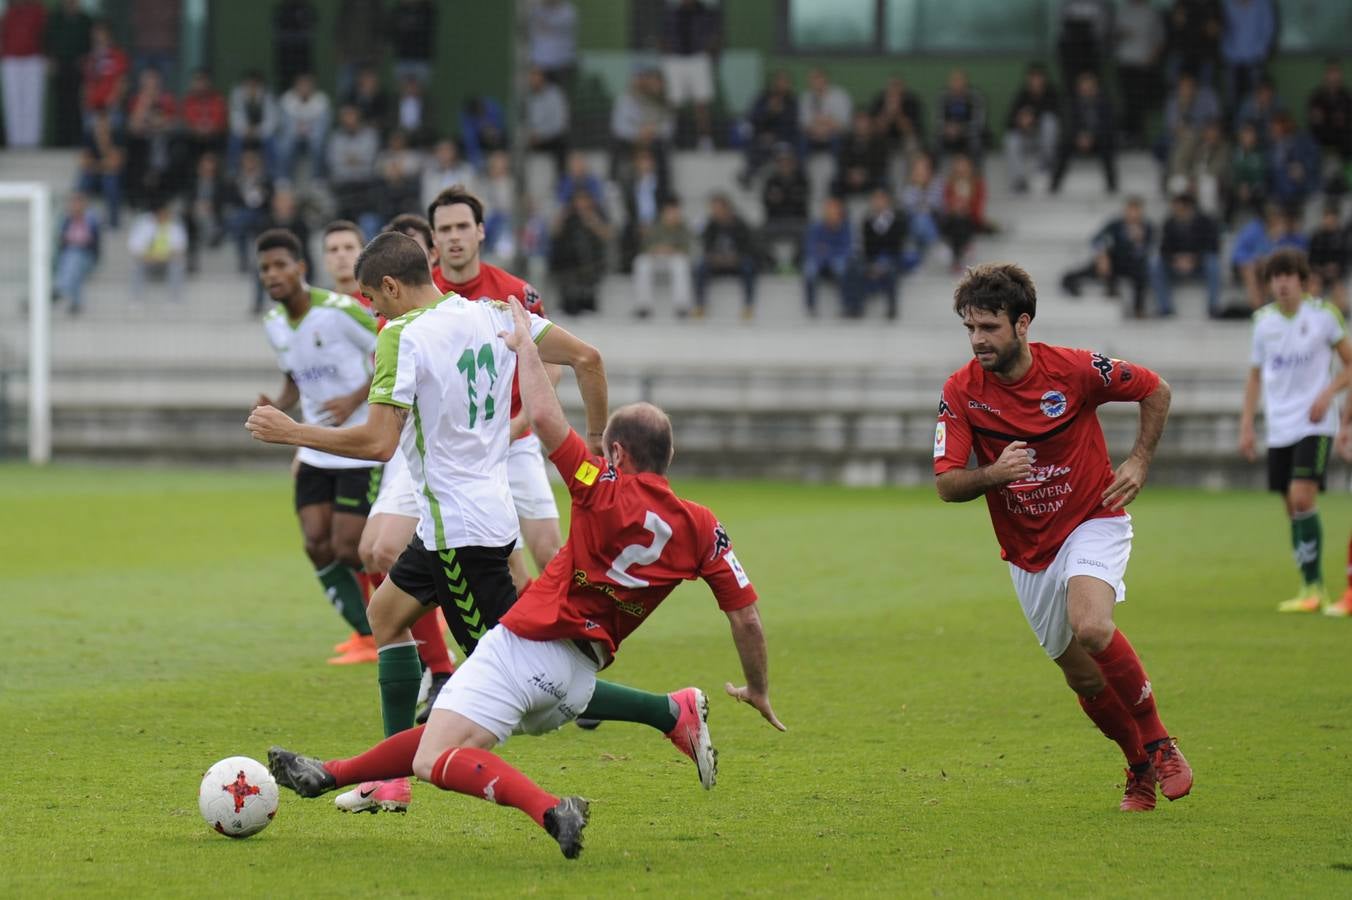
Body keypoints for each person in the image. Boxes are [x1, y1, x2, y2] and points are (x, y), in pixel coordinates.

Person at [266, 292, 782, 859]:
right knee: (448, 722)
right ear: (670, 454)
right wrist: (756, 687)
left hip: (528, 643)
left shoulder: (598, 485)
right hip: (578, 673)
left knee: (435, 755)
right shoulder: (703, 528)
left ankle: (549, 807)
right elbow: (747, 616)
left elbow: (541, 416)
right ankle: (330, 774)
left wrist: (523, 349)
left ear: (616, 452)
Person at [247, 231, 609, 817]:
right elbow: (589, 359)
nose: (370, 309)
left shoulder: (401, 335)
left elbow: (379, 441)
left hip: (460, 533)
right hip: (469, 516)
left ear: (390, 286)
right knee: (385, 616)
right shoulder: (492, 313)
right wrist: (595, 443)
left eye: (371, 297)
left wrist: (292, 432)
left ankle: (666, 711)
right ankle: (387, 783)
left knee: (519, 679)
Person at [934, 262, 1191, 812]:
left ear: (1022, 324)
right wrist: (992, 474)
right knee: (1085, 680)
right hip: (1027, 553)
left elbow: (1156, 389)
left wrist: (1140, 461)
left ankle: (1162, 742)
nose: (977, 340)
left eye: (989, 328)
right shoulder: (960, 392)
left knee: (1093, 626)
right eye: (970, 329)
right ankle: (1139, 766)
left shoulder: (1073, 370)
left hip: (1092, 519)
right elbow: (947, 484)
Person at [428, 185, 568, 591]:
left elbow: (551, 367)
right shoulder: (423, 299)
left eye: (462, 226)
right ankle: (516, 642)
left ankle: (578, 636)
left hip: (516, 438)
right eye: (445, 229)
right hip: (460, 450)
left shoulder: (515, 294)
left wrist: (520, 421)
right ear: (433, 239)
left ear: (481, 232)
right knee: (502, 565)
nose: (454, 236)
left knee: (549, 550)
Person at [252, 228, 383, 665]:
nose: (272, 275)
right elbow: (294, 377)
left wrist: (354, 398)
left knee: (350, 546)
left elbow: (391, 349)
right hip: (311, 446)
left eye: (280, 265)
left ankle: (402, 620)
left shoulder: (340, 310)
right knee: (315, 542)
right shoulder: (273, 324)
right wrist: (278, 404)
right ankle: (369, 633)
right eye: (265, 268)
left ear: (300, 269)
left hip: (356, 444)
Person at [1239, 249, 1352, 614]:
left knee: (1302, 497)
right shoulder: (1263, 322)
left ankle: (1315, 589)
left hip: (1315, 423)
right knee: (1292, 506)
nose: (1282, 283)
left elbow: (1350, 365)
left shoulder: (1323, 316)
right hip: (1280, 425)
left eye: (1289, 276)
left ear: (1303, 281)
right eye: (1276, 276)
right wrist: (1247, 425)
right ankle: (1309, 584)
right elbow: (1256, 375)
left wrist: (1328, 394)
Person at [1061, 195, 1154, 317]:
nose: (1133, 215)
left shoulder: (1147, 228)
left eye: (1136, 211)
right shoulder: (1116, 225)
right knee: (1077, 274)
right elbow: (1096, 239)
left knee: (1141, 274)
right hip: (1112, 263)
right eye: (1130, 210)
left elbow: (1147, 251)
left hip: (1133, 265)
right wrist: (1102, 255)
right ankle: (1084, 289)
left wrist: (1138, 243)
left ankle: (1138, 309)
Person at [659, 0, 721, 150]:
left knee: (701, 102)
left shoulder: (707, 12)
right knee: (672, 101)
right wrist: (666, 55)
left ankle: (705, 140)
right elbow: (663, 35)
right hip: (675, 59)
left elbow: (715, 36)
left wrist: (709, 54)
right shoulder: (671, 12)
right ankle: (666, 138)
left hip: (698, 58)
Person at [1151, 191, 1220, 317]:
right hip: (1176, 265)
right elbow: (1164, 249)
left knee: (1212, 263)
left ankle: (1213, 306)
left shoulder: (1205, 222)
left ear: (1188, 207)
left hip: (1199, 265)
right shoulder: (1169, 223)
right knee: (1156, 265)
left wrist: (1194, 259)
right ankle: (1165, 307)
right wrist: (1175, 259)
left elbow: (1213, 246)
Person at [1050, 71, 1118, 194]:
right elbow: (1068, 124)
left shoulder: (1104, 103)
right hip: (1077, 139)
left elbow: (1109, 124)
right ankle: (1054, 185)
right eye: (1084, 88)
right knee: (1064, 146)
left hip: (1098, 139)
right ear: (1078, 89)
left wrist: (1092, 137)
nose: (1086, 91)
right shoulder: (1071, 103)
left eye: (1090, 87)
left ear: (1096, 87)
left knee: (1107, 146)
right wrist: (1079, 137)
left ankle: (1112, 185)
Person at [1231, 203, 1306, 311]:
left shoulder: (1284, 233)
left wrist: (1275, 239)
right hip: (1248, 263)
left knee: (1272, 271)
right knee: (1250, 271)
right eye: (1273, 217)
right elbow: (1240, 253)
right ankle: (1257, 308)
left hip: (1270, 265)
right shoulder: (1254, 230)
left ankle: (1267, 306)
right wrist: (1256, 258)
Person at [694, 193, 757, 319]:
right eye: (713, 208)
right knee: (699, 268)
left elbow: (748, 247)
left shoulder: (740, 224)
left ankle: (748, 306)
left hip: (736, 262)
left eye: (717, 208)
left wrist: (735, 257)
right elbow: (706, 247)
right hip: (717, 263)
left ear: (726, 208)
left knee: (749, 266)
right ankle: (700, 305)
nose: (715, 211)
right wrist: (714, 257)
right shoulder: (710, 225)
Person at [632, 197, 693, 319]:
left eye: (674, 212)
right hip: (656, 259)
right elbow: (646, 246)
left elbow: (688, 249)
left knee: (681, 264)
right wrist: (656, 249)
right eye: (668, 212)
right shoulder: (655, 227)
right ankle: (643, 305)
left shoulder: (683, 227)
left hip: (674, 259)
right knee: (641, 262)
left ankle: (681, 306)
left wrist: (672, 250)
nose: (671, 215)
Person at [1003, 63, 1060, 193]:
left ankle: (1047, 162)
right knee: (1010, 139)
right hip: (1026, 138)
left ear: (1044, 79)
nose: (1035, 81)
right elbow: (1008, 122)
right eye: (1032, 78)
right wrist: (1020, 121)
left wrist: (1033, 119)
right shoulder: (1022, 95)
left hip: (1044, 141)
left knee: (1049, 121)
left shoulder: (1052, 93)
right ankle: (1019, 180)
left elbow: (1058, 116)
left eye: (1038, 78)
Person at [854, 186, 907, 320]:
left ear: (887, 201)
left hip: (891, 259)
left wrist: (883, 262)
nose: (878, 202)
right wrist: (874, 264)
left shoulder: (897, 220)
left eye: (881, 199)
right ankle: (857, 307)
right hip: (872, 259)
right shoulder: (867, 221)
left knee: (891, 272)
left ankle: (892, 308)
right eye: (875, 199)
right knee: (858, 270)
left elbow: (897, 246)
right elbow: (867, 247)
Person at [1, 0, 48, 148]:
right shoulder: (8, 11)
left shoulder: (38, 9)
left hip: (33, 58)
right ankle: (15, 141)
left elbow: (45, 34)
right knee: (13, 101)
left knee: (32, 101)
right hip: (11, 59)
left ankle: (32, 141)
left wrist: (46, 55)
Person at [802, 196, 854, 317]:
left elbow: (846, 249)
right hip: (819, 260)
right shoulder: (816, 227)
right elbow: (811, 248)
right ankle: (811, 306)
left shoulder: (845, 228)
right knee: (809, 269)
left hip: (836, 259)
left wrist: (827, 251)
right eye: (828, 210)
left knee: (842, 267)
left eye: (834, 210)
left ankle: (845, 304)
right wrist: (826, 253)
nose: (831, 213)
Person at [127, 200, 186, 303]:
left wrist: (164, 257)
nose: (163, 216)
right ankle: (136, 298)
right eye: (160, 214)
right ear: (156, 214)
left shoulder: (175, 226)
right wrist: (149, 257)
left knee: (177, 264)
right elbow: (134, 247)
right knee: (136, 266)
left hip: (167, 260)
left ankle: (175, 298)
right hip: (149, 260)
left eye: (165, 214)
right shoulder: (144, 225)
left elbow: (180, 248)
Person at [53, 191, 101, 316]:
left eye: (78, 203)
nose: (75, 206)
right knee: (72, 261)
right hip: (68, 256)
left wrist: (76, 242)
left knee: (75, 256)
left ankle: (59, 288)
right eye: (73, 203)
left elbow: (92, 242)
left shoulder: (91, 220)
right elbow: (61, 241)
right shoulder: (65, 219)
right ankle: (76, 302)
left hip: (86, 257)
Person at [1308, 203, 1349, 313]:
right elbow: (1312, 259)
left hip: (1336, 275)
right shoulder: (1316, 237)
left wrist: (1336, 270)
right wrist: (1321, 270)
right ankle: (1312, 312)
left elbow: (1344, 261)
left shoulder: (1342, 238)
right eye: (1327, 217)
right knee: (1314, 283)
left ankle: (1341, 314)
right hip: (1319, 273)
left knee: (1338, 287)